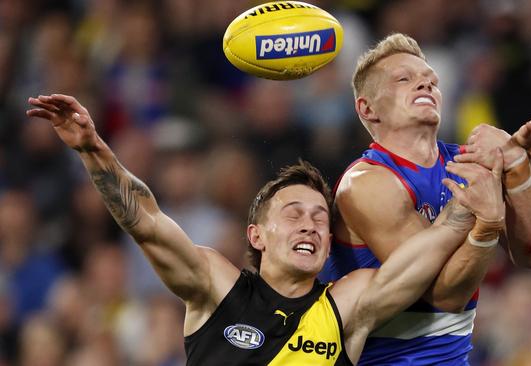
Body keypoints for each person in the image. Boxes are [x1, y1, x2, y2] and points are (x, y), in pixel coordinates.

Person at [27, 93, 506, 365]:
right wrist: (93, 150)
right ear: (256, 236)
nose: (311, 224)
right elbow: (147, 222)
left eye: (320, 216)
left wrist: (474, 208)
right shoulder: (217, 287)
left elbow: (422, 258)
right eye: (293, 213)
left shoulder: (347, 303)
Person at [319, 33, 531, 364]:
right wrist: (485, 226)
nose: (424, 85)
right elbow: (442, 296)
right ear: (367, 108)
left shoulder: (467, 162)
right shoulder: (366, 183)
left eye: (431, 81)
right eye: (405, 79)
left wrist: (516, 163)